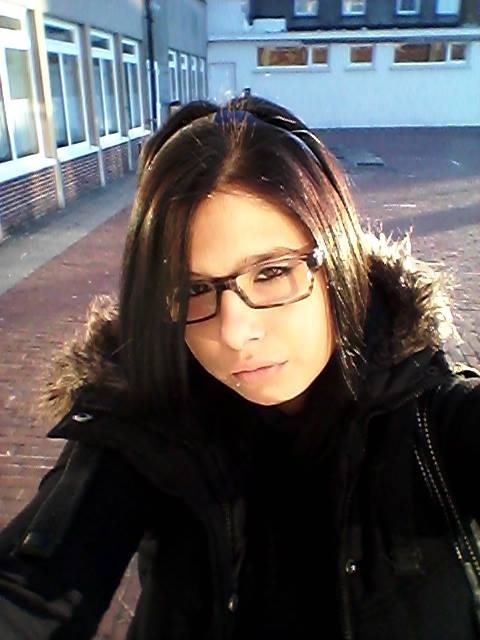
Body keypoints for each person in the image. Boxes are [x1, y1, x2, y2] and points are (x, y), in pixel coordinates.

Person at [0, 96, 479, 640]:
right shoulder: (149, 418)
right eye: (193, 290)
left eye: (272, 273)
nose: (233, 331)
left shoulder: (431, 424)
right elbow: (33, 590)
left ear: (339, 261)